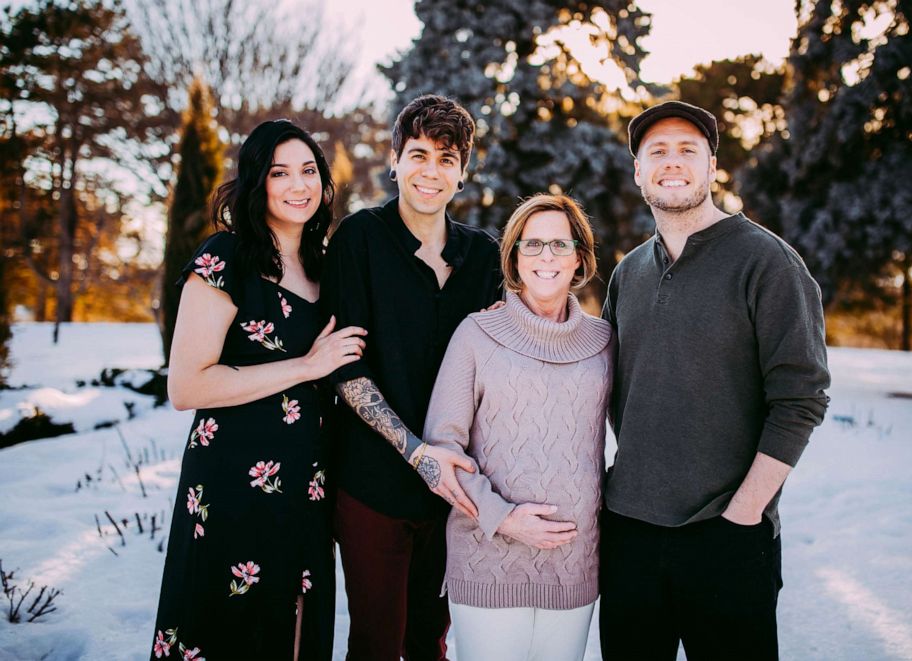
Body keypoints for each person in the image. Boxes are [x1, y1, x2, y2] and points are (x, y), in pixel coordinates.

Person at [598, 100, 831, 660]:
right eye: (657, 151)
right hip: (630, 535)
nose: (671, 162)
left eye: (687, 150)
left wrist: (744, 512)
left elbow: (800, 399)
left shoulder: (767, 262)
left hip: (726, 534)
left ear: (711, 167)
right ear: (638, 170)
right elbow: (603, 386)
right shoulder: (628, 272)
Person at [151, 120, 367, 661]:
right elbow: (187, 384)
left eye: (309, 171)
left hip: (308, 483)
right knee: (228, 627)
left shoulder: (326, 264)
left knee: (293, 624)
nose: (299, 185)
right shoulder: (226, 259)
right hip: (232, 481)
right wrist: (306, 365)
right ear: (257, 183)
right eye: (280, 173)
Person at [320, 94, 503, 660]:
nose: (431, 171)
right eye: (418, 154)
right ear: (395, 159)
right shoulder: (359, 240)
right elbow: (345, 364)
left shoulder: (485, 257)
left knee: (431, 640)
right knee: (376, 641)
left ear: (463, 173)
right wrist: (415, 450)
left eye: (447, 159)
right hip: (372, 482)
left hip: (455, 494)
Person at [418, 193, 613, 661]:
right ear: (513, 257)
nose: (546, 257)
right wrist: (503, 517)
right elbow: (437, 452)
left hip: (574, 562)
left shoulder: (605, 340)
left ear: (580, 257)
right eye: (532, 245)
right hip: (488, 560)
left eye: (560, 245)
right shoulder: (476, 334)